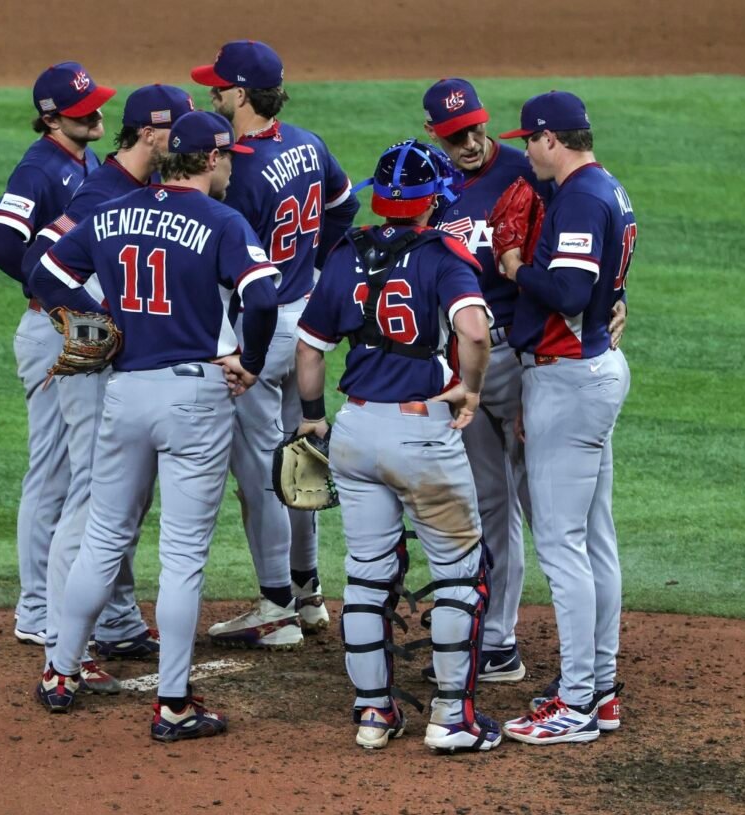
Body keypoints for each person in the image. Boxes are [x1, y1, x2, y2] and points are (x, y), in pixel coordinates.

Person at [27, 111, 280, 742]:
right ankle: (172, 705)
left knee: (105, 537)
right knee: (183, 558)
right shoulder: (222, 221)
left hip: (125, 391)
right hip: (193, 397)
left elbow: (44, 277)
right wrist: (247, 362)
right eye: (227, 157)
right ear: (209, 159)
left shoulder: (111, 215)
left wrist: (105, 322)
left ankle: (60, 672)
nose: (231, 167)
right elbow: (265, 296)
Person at [419, 78, 629, 686]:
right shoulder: (425, 181)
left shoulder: (528, 174)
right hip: (465, 360)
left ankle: (586, 678)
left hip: (527, 355)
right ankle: (498, 641)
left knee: (553, 518)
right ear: (434, 132)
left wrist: (613, 299)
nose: (470, 140)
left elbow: (585, 254)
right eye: (456, 134)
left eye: (478, 127)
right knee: (489, 499)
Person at [294, 139, 501, 753]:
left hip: (355, 432)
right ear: (434, 200)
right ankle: (451, 718)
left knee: (366, 576)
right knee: (461, 574)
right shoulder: (444, 254)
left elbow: (310, 350)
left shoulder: (346, 251)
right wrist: (469, 390)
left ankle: (373, 715)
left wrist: (312, 419)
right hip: (421, 436)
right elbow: (474, 332)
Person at [19, 84, 198, 682]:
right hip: (87, 353)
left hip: (114, 361)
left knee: (122, 494)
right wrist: (93, 321)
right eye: (182, 132)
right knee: (93, 490)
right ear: (151, 134)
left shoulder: (142, 189)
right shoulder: (102, 192)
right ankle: (57, 635)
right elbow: (34, 263)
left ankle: (116, 620)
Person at [189, 40, 360, 649]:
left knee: (262, 471)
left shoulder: (239, 171)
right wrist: (312, 263)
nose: (212, 95)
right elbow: (346, 207)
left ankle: (276, 607)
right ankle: (309, 593)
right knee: (303, 456)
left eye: (218, 88)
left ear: (240, 94)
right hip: (309, 319)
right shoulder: (308, 144)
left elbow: (217, 260)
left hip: (258, 329)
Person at [493, 92, 636, 745]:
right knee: (595, 536)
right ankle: (599, 689)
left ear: (554, 138)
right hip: (592, 370)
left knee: (561, 543)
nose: (526, 150)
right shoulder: (610, 187)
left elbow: (574, 291)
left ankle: (577, 702)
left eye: (531, 139)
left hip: (570, 377)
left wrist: (518, 266)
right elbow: (605, 283)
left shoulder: (578, 194)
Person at [0, 61, 112, 647]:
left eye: (97, 104)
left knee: (77, 466)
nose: (98, 114)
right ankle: (36, 608)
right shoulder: (39, 167)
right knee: (54, 470)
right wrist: (45, 288)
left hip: (77, 327)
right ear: (52, 118)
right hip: (54, 328)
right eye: (84, 111)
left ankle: (71, 603)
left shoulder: (81, 160)